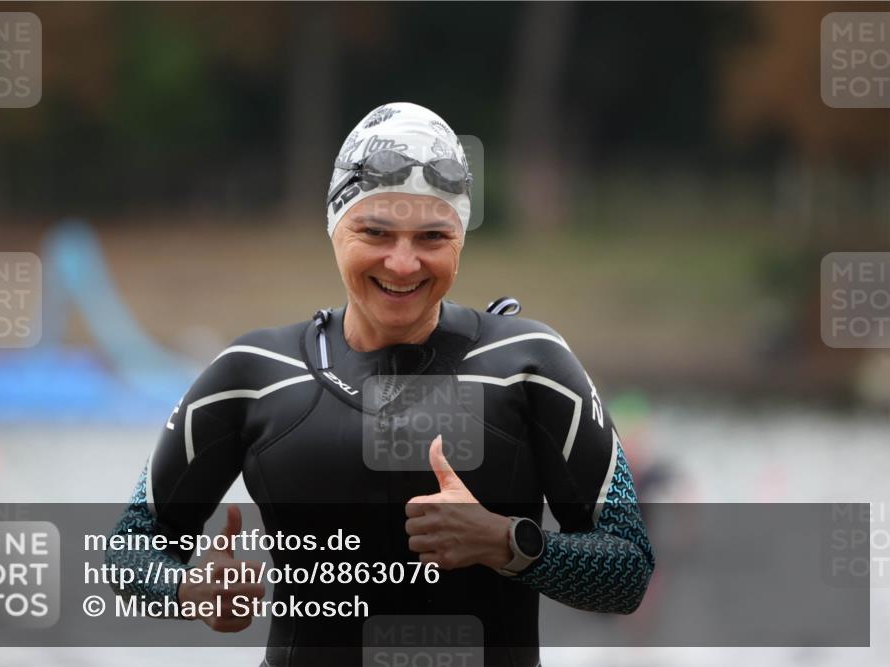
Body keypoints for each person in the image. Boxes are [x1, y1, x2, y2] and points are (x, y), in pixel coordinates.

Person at [106, 102, 655, 667]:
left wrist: (506, 544)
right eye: (376, 232)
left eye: (432, 237)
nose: (402, 263)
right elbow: (129, 546)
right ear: (335, 227)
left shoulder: (529, 365)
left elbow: (629, 571)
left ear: (460, 240)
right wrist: (187, 590)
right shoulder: (251, 375)